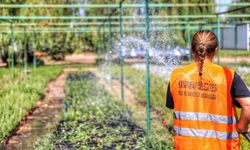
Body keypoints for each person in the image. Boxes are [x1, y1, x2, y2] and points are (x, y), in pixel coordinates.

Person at [166, 30, 250, 150]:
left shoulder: (177, 75)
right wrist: (242, 127)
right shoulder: (228, 76)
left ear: (192, 48)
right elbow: (248, 105)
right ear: (216, 50)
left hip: (186, 146)